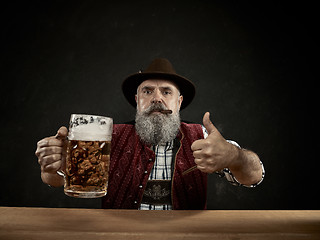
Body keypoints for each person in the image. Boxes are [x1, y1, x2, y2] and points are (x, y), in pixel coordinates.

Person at [35, 58, 265, 210]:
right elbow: (55, 179)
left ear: (179, 102)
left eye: (166, 91)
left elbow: (255, 175)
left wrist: (234, 156)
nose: (157, 98)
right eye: (147, 91)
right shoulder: (108, 137)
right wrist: (56, 165)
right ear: (137, 100)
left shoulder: (202, 136)